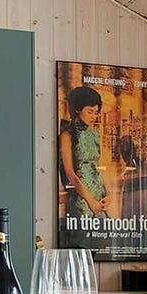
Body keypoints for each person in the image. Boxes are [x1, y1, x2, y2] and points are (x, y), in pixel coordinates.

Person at [61, 85, 106, 219]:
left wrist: (108, 195)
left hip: (99, 195)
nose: (94, 116)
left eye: (96, 112)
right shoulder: (67, 135)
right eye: (90, 111)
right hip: (81, 197)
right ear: (77, 109)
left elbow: (100, 168)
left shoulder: (95, 135)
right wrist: (90, 201)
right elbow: (70, 174)